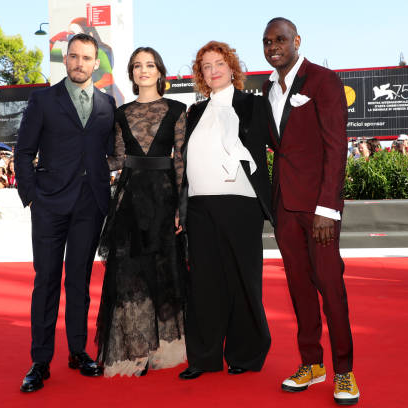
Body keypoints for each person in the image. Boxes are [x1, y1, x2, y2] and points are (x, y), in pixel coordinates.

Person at [262, 17, 359, 405]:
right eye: (267, 41)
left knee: (331, 289)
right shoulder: (268, 89)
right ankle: (312, 364)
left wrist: (327, 209)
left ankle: (345, 372)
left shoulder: (323, 80)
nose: (273, 46)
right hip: (285, 207)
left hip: (318, 210)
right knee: (299, 289)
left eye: (281, 39)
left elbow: (337, 148)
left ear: (297, 41)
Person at [15, 33, 116, 392]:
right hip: (49, 204)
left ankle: (77, 351)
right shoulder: (43, 99)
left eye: (87, 58)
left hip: (90, 205)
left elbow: (110, 152)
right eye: (73, 56)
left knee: (79, 282)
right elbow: (23, 151)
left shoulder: (107, 104)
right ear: (65, 59)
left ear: (96, 63)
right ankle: (40, 361)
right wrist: (31, 197)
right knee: (45, 283)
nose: (79, 63)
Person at [178, 40, 273, 380]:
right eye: (206, 66)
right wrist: (181, 206)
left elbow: (279, 144)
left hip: (241, 206)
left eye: (219, 63)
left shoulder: (253, 105)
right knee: (203, 284)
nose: (213, 69)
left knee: (243, 282)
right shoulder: (194, 113)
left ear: (231, 67)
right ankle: (203, 357)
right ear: (201, 75)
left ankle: (245, 354)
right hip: (200, 208)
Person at [94, 47, 187, 378]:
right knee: (130, 276)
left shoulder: (178, 109)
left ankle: (164, 348)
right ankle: (137, 348)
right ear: (131, 74)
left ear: (160, 71)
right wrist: (82, 163)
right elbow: (118, 158)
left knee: (164, 274)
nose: (143, 70)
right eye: (137, 66)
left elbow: (180, 161)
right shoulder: (121, 113)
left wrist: (181, 207)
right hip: (130, 200)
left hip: (164, 200)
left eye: (150, 65)